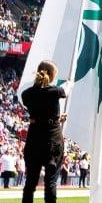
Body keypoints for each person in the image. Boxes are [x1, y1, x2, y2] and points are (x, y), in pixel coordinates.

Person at [21, 61, 68, 203]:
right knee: (51, 182)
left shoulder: (27, 94)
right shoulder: (57, 92)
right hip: (52, 140)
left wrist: (56, 117)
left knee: (30, 184)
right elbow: (59, 93)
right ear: (52, 74)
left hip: (34, 139)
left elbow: (39, 113)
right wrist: (56, 119)